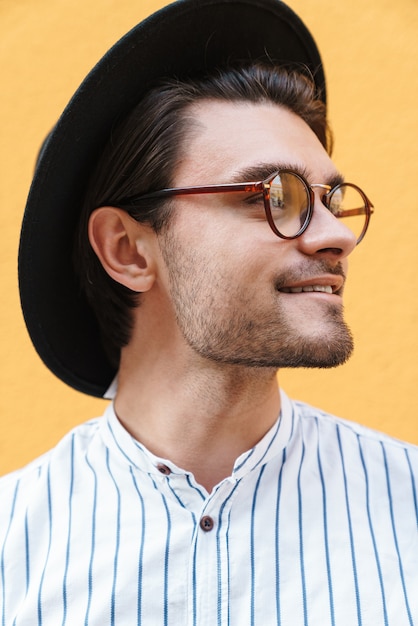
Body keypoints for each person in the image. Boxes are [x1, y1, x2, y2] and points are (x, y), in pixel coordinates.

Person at [1, 0, 417, 624]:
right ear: (128, 250)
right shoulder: (13, 549)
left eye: (331, 198)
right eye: (277, 194)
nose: (337, 235)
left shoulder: (408, 503)